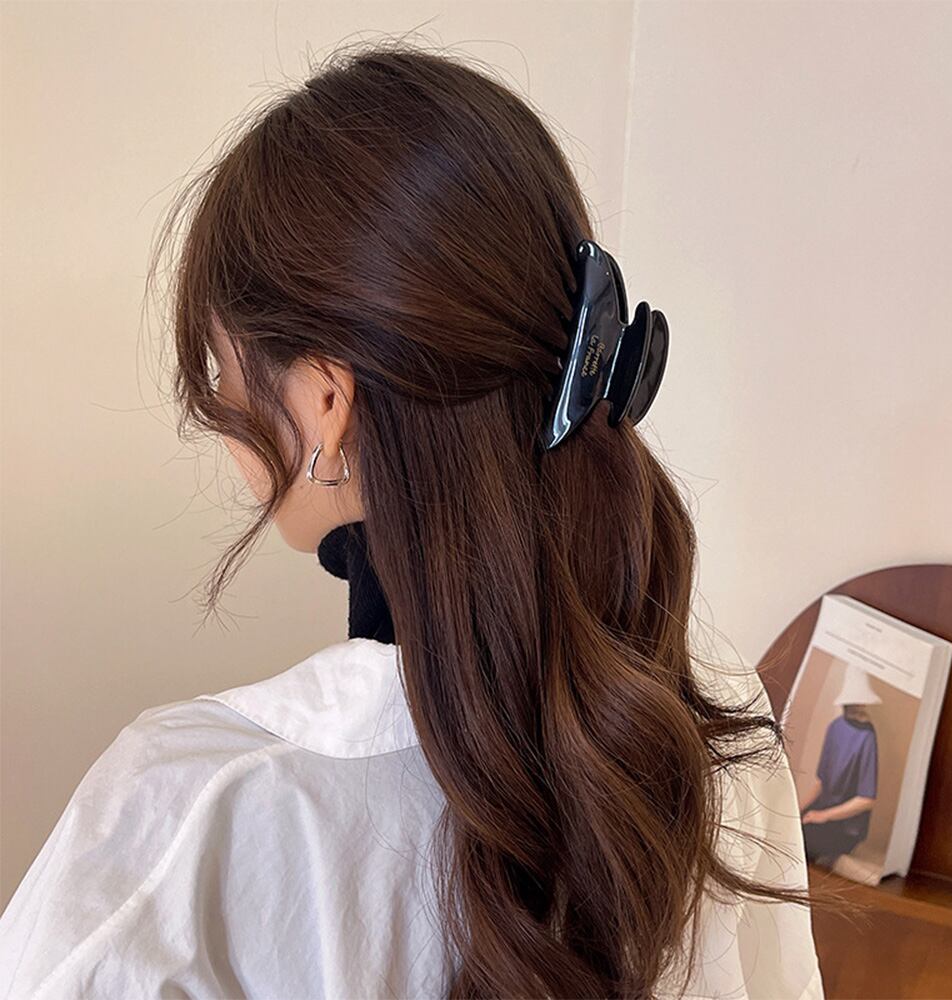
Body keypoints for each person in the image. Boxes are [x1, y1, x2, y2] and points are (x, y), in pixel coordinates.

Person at [0, 41, 832, 1000]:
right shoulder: (709, 721)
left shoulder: (192, 814)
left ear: (326, 403)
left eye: (225, 373)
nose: (221, 414)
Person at [799, 664, 881, 867]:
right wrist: (797, 809)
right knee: (789, 829)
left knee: (804, 842)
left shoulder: (867, 736)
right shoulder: (834, 727)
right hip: (823, 810)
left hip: (847, 826)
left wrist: (823, 816)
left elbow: (866, 800)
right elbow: (821, 782)